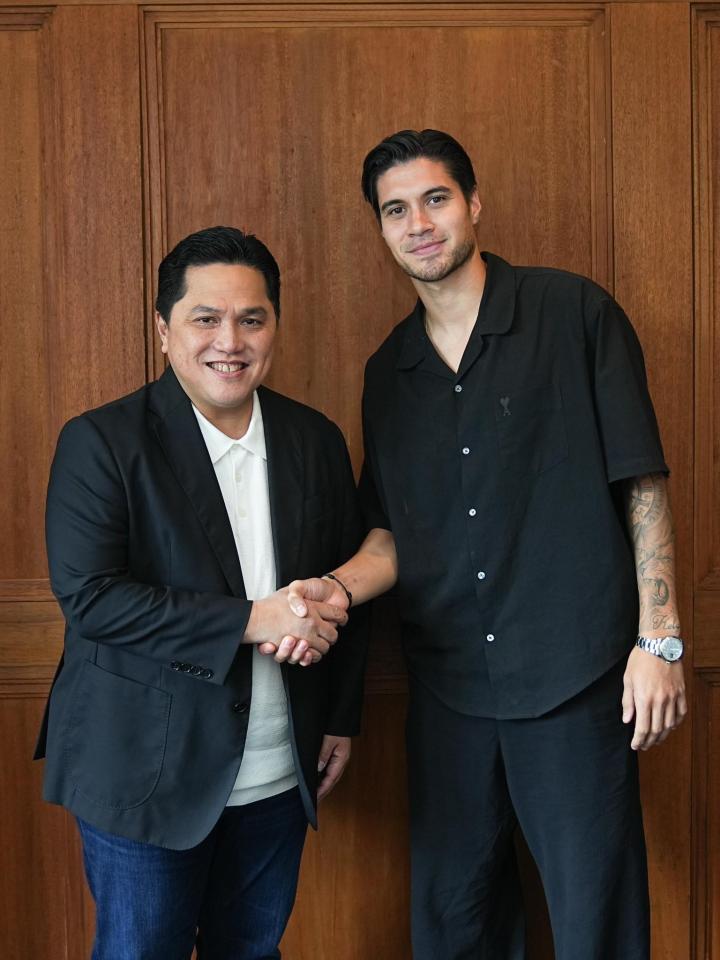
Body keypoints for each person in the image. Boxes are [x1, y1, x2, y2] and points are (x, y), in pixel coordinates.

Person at [274, 130, 687, 960]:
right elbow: (392, 530)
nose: (418, 224)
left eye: (435, 199)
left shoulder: (574, 313)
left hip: (575, 679)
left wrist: (661, 639)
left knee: (598, 922)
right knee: (455, 926)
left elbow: (639, 480)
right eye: (396, 210)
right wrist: (335, 589)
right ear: (381, 229)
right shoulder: (388, 372)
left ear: (474, 203)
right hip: (449, 690)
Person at [34, 226, 367, 960]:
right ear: (163, 330)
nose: (230, 342)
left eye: (252, 319)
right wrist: (254, 619)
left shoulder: (314, 439)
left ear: (275, 326)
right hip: (143, 771)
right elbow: (92, 599)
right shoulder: (101, 441)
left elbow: (344, 580)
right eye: (205, 319)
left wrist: (339, 716)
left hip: (278, 773)